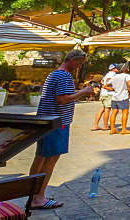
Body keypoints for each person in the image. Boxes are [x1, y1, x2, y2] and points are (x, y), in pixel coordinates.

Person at [29, 49, 96, 209]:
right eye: (80, 63)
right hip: (57, 122)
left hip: (46, 120)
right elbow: (62, 99)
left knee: (40, 157)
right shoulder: (64, 76)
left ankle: (31, 194)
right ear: (73, 60)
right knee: (50, 159)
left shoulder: (54, 74)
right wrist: (83, 92)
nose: (79, 67)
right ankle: (39, 197)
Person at [106, 63, 130, 135]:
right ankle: (124, 129)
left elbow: (105, 86)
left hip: (115, 96)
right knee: (125, 112)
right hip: (123, 96)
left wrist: (113, 89)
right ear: (124, 69)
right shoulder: (126, 76)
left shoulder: (114, 77)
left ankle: (112, 129)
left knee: (114, 113)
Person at [91, 63, 119, 131]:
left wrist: (104, 84)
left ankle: (95, 125)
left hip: (103, 93)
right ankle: (105, 125)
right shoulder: (113, 74)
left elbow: (102, 81)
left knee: (101, 109)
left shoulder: (107, 74)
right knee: (107, 109)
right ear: (113, 69)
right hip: (108, 93)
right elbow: (110, 82)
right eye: (116, 68)